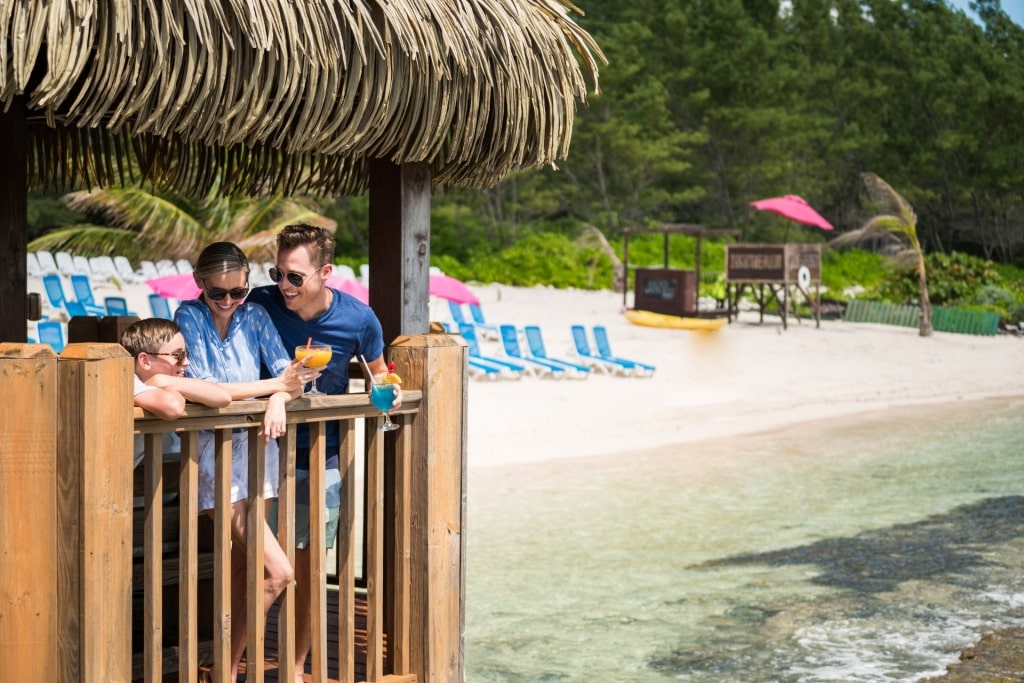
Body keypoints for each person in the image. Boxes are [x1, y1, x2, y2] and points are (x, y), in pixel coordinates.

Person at [247, 223, 400, 681]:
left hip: (322, 457)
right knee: (252, 565)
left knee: (310, 570)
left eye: (295, 276)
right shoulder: (259, 304)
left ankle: (293, 670)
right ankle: (240, 663)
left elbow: (380, 375)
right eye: (278, 273)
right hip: (260, 450)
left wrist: (388, 393)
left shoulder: (358, 318)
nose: (284, 286)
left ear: (325, 272)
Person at [174, 242, 321, 683]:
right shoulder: (188, 316)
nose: (227, 302)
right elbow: (204, 385)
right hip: (212, 456)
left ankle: (230, 669)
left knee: (246, 570)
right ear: (200, 282)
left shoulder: (254, 315)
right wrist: (276, 385)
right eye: (217, 292)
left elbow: (289, 375)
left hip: (259, 452)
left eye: (237, 292)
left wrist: (278, 395)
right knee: (280, 572)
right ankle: (221, 670)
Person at [120, 318, 232, 467]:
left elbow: (223, 396)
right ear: (145, 361)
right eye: (177, 355)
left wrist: (163, 381)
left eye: (186, 354)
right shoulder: (127, 379)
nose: (186, 362)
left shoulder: (167, 382)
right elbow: (172, 406)